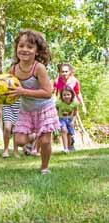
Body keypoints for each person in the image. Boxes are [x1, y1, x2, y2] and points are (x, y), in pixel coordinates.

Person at [9, 29, 60, 175]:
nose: (25, 49)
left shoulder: (39, 68)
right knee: (18, 140)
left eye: (30, 47)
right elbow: (6, 86)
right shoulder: (13, 69)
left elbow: (47, 92)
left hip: (44, 107)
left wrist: (23, 92)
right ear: (17, 48)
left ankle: (44, 167)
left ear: (37, 52)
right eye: (21, 46)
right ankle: (32, 137)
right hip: (26, 109)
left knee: (45, 141)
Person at [56, 86, 78, 153]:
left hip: (70, 120)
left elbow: (74, 114)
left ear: (72, 95)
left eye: (68, 94)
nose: (66, 96)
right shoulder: (59, 103)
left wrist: (73, 121)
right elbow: (55, 112)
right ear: (61, 96)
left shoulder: (74, 103)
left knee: (69, 134)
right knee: (64, 130)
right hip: (61, 119)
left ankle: (69, 147)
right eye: (64, 95)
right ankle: (65, 148)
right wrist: (56, 121)